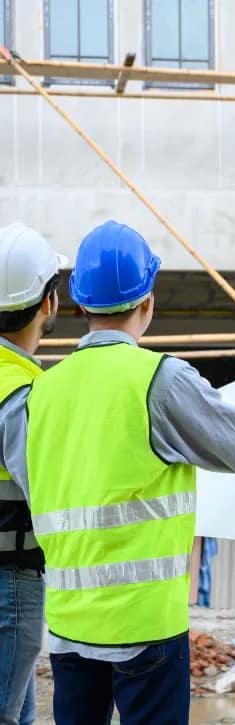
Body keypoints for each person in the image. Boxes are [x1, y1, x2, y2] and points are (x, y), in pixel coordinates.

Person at [0, 220, 235, 725]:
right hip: (145, 624)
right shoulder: (160, 380)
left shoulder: (41, 393)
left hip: (69, 627)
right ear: (148, 303)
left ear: (77, 307)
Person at [0, 223, 67, 725]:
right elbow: (49, 484)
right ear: (49, 303)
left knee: (20, 712)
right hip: (11, 579)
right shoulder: (23, 391)